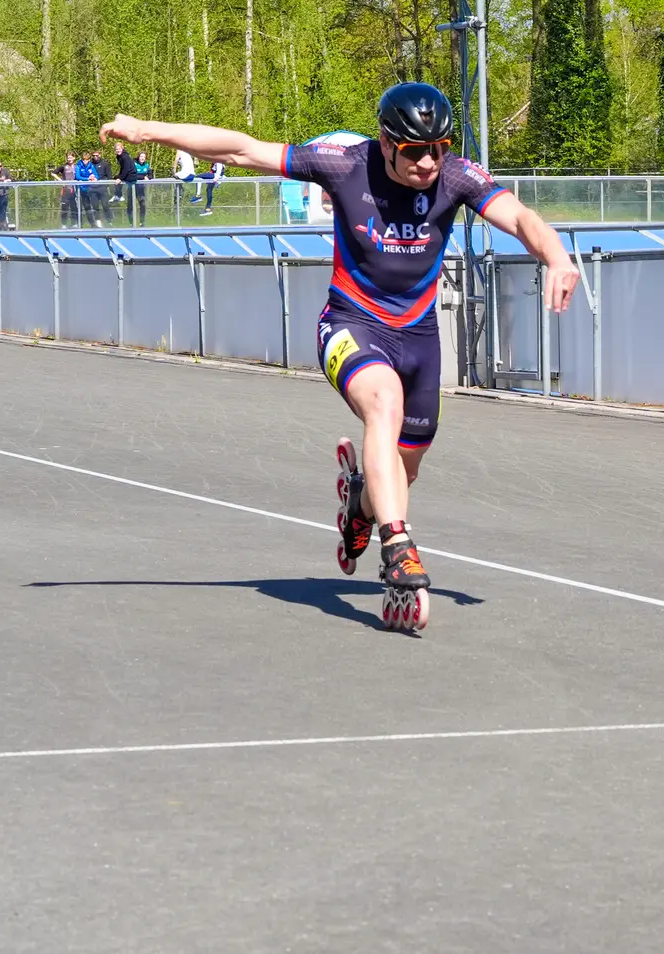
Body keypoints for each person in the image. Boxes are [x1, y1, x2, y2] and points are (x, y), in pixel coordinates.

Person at [99, 83, 581, 632]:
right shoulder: (344, 165)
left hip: (419, 337)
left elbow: (519, 218)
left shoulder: (456, 176)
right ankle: (396, 546)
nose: (428, 162)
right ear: (385, 142)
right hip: (350, 325)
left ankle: (361, 505)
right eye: (415, 151)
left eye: (438, 149)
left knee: (405, 469)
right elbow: (241, 149)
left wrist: (557, 257)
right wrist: (146, 130)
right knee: (384, 404)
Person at [129, 150, 151, 225]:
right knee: (130, 206)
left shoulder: (147, 165)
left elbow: (151, 175)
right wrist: (143, 177)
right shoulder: (134, 164)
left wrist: (148, 176)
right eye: (141, 156)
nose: (142, 158)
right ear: (138, 157)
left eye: (144, 157)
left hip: (141, 189)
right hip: (132, 188)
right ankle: (131, 223)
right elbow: (132, 175)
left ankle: (142, 222)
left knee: (143, 205)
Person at [57, 154, 78, 228]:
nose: (69, 159)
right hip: (66, 189)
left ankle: (74, 223)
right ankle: (64, 224)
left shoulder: (77, 166)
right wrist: (61, 181)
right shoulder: (63, 166)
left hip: (74, 189)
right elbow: (53, 173)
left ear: (74, 158)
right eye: (68, 158)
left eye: (71, 157)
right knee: (65, 207)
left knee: (74, 207)